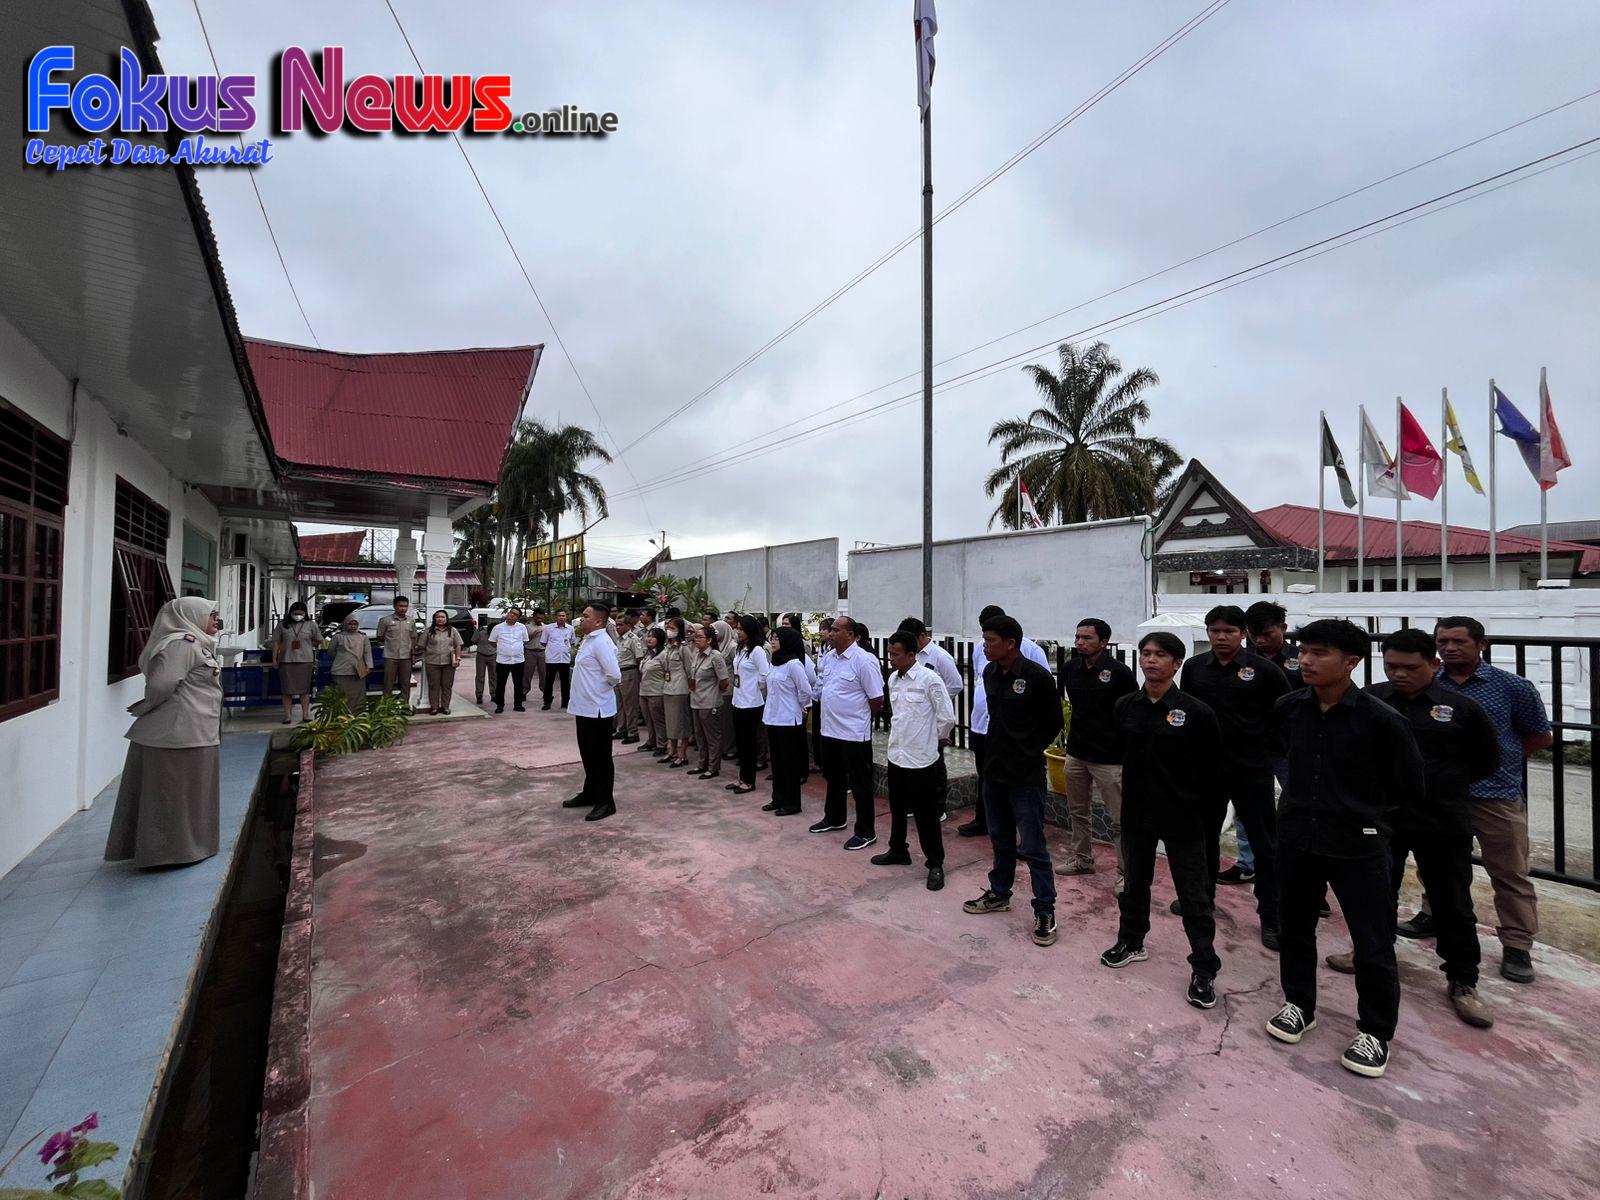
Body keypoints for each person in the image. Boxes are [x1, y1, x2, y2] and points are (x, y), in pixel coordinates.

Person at [1267, 619, 1424, 1080]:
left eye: (1319, 653)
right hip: (1298, 837)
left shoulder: (1381, 720)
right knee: (1295, 928)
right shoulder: (1289, 708)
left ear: (1351, 661)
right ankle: (1299, 1004)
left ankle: (1375, 1031)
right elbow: (1283, 756)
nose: (1305, 660)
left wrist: (1364, 815)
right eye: (1303, 651)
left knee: (1371, 940)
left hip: (1358, 843)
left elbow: (1408, 787)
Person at [1323, 629, 1499, 1027]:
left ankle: (1463, 979)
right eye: (1392, 667)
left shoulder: (1462, 709)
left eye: (1410, 667)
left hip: (1441, 818)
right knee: (1376, 892)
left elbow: (1486, 761)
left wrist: (1440, 784)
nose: (1399, 674)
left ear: (1434, 665)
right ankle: (1369, 952)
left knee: (1451, 900)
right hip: (1384, 818)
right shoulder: (1369, 700)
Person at [1401, 616, 1553, 985]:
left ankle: (1517, 943)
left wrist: (1498, 763)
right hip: (1440, 795)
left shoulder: (1512, 687)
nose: (1450, 648)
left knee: (1509, 870)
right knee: (1437, 863)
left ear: (1481, 644)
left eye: (1459, 642)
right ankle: (1432, 913)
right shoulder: (1427, 683)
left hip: (1495, 793)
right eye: (1443, 642)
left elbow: (1539, 736)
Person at [1099, 632, 1224, 1010]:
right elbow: (1119, 753)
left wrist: (1205, 820)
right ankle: (1131, 941)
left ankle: (1204, 966)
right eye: (1146, 653)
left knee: (1193, 896)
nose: (1150, 660)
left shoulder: (1197, 713)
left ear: (1177, 663)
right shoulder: (1126, 705)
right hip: (1137, 813)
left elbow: (1214, 772)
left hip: (1183, 816)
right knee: (1134, 883)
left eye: (1160, 655)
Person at [1179, 604, 1290, 949]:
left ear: (1243, 634)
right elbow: (1188, 714)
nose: (1221, 637)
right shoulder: (1195, 668)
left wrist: (1265, 749)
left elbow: (1286, 714)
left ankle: (1271, 916)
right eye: (1215, 630)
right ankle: (1202, 900)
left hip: (1252, 770)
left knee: (1265, 845)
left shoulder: (1265, 670)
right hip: (1208, 770)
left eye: (1229, 631)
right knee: (1204, 838)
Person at [963, 614, 1064, 947]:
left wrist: (1027, 750)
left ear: (1010, 644)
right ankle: (1000, 892)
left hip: (1025, 776)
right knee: (1000, 838)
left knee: (1033, 846)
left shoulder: (1037, 677)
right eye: (984, 639)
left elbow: (1053, 722)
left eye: (990, 640)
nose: (984, 646)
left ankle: (1045, 909)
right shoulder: (990, 672)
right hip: (994, 772)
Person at [104, 596, 224, 868]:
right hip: (177, 732)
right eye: (211, 614)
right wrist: (147, 706)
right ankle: (171, 853)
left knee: (189, 792)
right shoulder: (182, 645)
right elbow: (162, 684)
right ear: (190, 616)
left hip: (194, 729)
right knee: (173, 794)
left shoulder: (196, 644)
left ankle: (190, 848)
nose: (216, 620)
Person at [956, 605, 1050, 839]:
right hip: (983, 726)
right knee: (986, 775)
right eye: (984, 634)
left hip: (1019, 736)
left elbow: (1047, 700)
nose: (986, 642)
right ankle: (984, 820)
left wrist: (1033, 740)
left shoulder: (1032, 650)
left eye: (991, 636)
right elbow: (981, 678)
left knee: (1022, 788)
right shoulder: (981, 649)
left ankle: (1027, 834)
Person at [1056, 618, 1137, 885]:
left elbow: (1131, 712)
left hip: (1110, 758)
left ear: (1103, 642)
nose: (1080, 642)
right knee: (1077, 811)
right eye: (1078, 637)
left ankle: (1127, 874)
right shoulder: (1070, 668)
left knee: (1120, 819)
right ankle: (1082, 859)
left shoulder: (1120, 673)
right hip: (1077, 753)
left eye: (1087, 638)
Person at [872, 631, 954, 890]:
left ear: (911, 655)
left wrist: (935, 740)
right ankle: (898, 849)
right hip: (897, 754)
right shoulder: (893, 678)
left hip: (921, 758)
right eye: (889, 653)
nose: (891, 658)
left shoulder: (930, 679)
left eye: (895, 654)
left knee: (926, 813)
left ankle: (935, 862)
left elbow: (947, 717)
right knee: (897, 807)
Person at [810, 616, 884, 849]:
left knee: (860, 784)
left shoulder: (864, 660)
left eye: (835, 630)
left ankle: (865, 832)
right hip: (830, 730)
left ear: (850, 635)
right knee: (834, 778)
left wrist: (857, 716)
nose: (830, 634)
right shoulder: (829, 658)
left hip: (853, 733)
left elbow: (876, 699)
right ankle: (834, 817)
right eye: (830, 630)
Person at [897, 617, 964, 824]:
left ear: (922, 636)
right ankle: (914, 802)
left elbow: (955, 684)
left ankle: (938, 806)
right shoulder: (910, 656)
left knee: (935, 762)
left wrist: (935, 702)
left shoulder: (940, 656)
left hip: (933, 719)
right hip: (912, 719)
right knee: (912, 761)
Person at [559, 602, 622, 821]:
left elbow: (614, 675)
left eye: (585, 616)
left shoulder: (602, 642)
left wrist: (599, 691)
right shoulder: (588, 639)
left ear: (598, 621)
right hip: (583, 708)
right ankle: (590, 793)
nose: (581, 619)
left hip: (598, 710)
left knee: (601, 758)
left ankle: (606, 802)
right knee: (588, 755)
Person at [762, 626, 812, 816]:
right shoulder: (774, 662)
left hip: (788, 719)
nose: (773, 642)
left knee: (789, 763)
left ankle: (792, 803)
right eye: (772, 638)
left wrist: (800, 707)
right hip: (772, 717)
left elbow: (805, 690)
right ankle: (778, 798)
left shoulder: (794, 664)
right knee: (777, 762)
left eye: (777, 639)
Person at [728, 615, 770, 795]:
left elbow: (764, 675)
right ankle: (742, 777)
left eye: (741, 629)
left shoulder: (757, 651)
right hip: (738, 700)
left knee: (749, 743)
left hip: (751, 702)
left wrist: (756, 690)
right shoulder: (741, 649)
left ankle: (749, 780)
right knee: (741, 742)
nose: (738, 632)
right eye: (737, 629)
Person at [687, 624, 731, 779]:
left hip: (709, 702)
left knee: (712, 737)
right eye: (695, 637)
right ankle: (702, 763)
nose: (696, 639)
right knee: (700, 736)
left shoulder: (715, 656)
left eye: (700, 637)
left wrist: (714, 692)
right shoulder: (696, 654)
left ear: (710, 640)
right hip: (696, 700)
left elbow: (724, 681)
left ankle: (713, 767)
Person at [271, 601, 317, 725]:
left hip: (305, 660)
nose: (298, 616)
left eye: (301, 613)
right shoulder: (282, 625)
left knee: (304, 690)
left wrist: (308, 644)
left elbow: (318, 640)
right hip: (286, 660)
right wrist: (274, 659)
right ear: (290, 613)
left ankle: (306, 714)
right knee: (287, 690)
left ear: (305, 613)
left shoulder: (311, 625)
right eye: (295, 613)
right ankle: (287, 716)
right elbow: (276, 642)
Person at [660, 617, 693, 768]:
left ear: (679, 630)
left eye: (672, 628)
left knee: (681, 723)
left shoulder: (683, 648)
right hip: (668, 687)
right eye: (667, 627)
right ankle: (671, 751)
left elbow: (689, 670)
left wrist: (690, 688)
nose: (669, 630)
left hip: (680, 688)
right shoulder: (667, 646)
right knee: (671, 722)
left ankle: (682, 754)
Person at [489, 607, 532, 713]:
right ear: (508, 614)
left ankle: (518, 704)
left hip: (518, 660)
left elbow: (525, 641)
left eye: (515, 614)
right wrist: (503, 648)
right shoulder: (498, 628)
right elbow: (492, 641)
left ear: (518, 618)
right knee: (501, 684)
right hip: (503, 660)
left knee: (518, 684)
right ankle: (499, 705)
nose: (512, 615)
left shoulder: (522, 627)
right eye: (511, 613)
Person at [376, 595, 417, 708]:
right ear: (395, 606)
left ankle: (405, 706)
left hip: (406, 657)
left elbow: (413, 638)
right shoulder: (385, 621)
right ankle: (386, 707)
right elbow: (380, 637)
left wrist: (413, 654)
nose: (403, 608)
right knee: (388, 683)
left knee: (405, 683)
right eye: (400, 606)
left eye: (405, 606)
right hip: (390, 656)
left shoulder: (411, 621)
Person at [422, 609, 463, 715]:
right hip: (432, 662)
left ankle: (445, 707)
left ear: (446, 619)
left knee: (447, 686)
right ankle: (434, 707)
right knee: (433, 686)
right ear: (434, 619)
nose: (440, 619)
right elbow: (421, 645)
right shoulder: (428, 631)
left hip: (449, 663)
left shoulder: (452, 630)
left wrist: (458, 658)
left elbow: (458, 645)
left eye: (443, 617)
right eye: (438, 617)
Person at [329, 615, 373, 713]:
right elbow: (331, 651)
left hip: (358, 671)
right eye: (350, 624)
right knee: (342, 695)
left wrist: (368, 666)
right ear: (346, 624)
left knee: (358, 695)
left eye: (355, 624)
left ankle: (357, 714)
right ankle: (342, 715)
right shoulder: (338, 637)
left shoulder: (363, 637)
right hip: (341, 671)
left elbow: (367, 653)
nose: (353, 626)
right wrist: (343, 657)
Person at [638, 627, 670, 756]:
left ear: (660, 639)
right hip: (644, 691)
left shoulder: (664, 655)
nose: (649, 639)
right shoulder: (648, 654)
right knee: (648, 720)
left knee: (658, 720)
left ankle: (662, 744)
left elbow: (668, 673)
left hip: (656, 692)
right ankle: (652, 740)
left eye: (652, 636)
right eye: (648, 636)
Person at [613, 610, 643, 744]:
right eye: (616, 625)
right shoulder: (618, 639)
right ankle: (622, 729)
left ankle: (633, 732)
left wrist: (637, 674)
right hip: (619, 672)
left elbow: (639, 658)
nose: (618, 627)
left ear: (628, 626)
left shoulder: (633, 639)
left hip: (629, 672)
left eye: (620, 625)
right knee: (619, 703)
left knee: (630, 704)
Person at [541, 610, 576, 709]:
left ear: (566, 617)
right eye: (559, 616)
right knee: (549, 681)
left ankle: (565, 702)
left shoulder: (570, 628)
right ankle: (547, 702)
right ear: (555, 617)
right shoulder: (548, 628)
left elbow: (572, 642)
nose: (561, 617)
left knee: (565, 682)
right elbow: (543, 642)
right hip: (551, 659)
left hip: (564, 659)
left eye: (563, 615)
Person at [472, 614, 496, 705]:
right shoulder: (481, 632)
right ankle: (479, 695)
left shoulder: (498, 633)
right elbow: (474, 640)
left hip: (493, 655)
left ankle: (494, 694)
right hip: (481, 655)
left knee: (493, 676)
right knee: (480, 676)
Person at [527, 610, 548, 693]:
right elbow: (524, 640)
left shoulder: (546, 627)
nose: (539, 620)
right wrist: (533, 634)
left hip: (542, 652)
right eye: (537, 618)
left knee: (544, 673)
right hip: (530, 651)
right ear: (533, 617)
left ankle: (545, 692)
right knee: (527, 673)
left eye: (541, 618)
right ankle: (524, 691)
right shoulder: (527, 627)